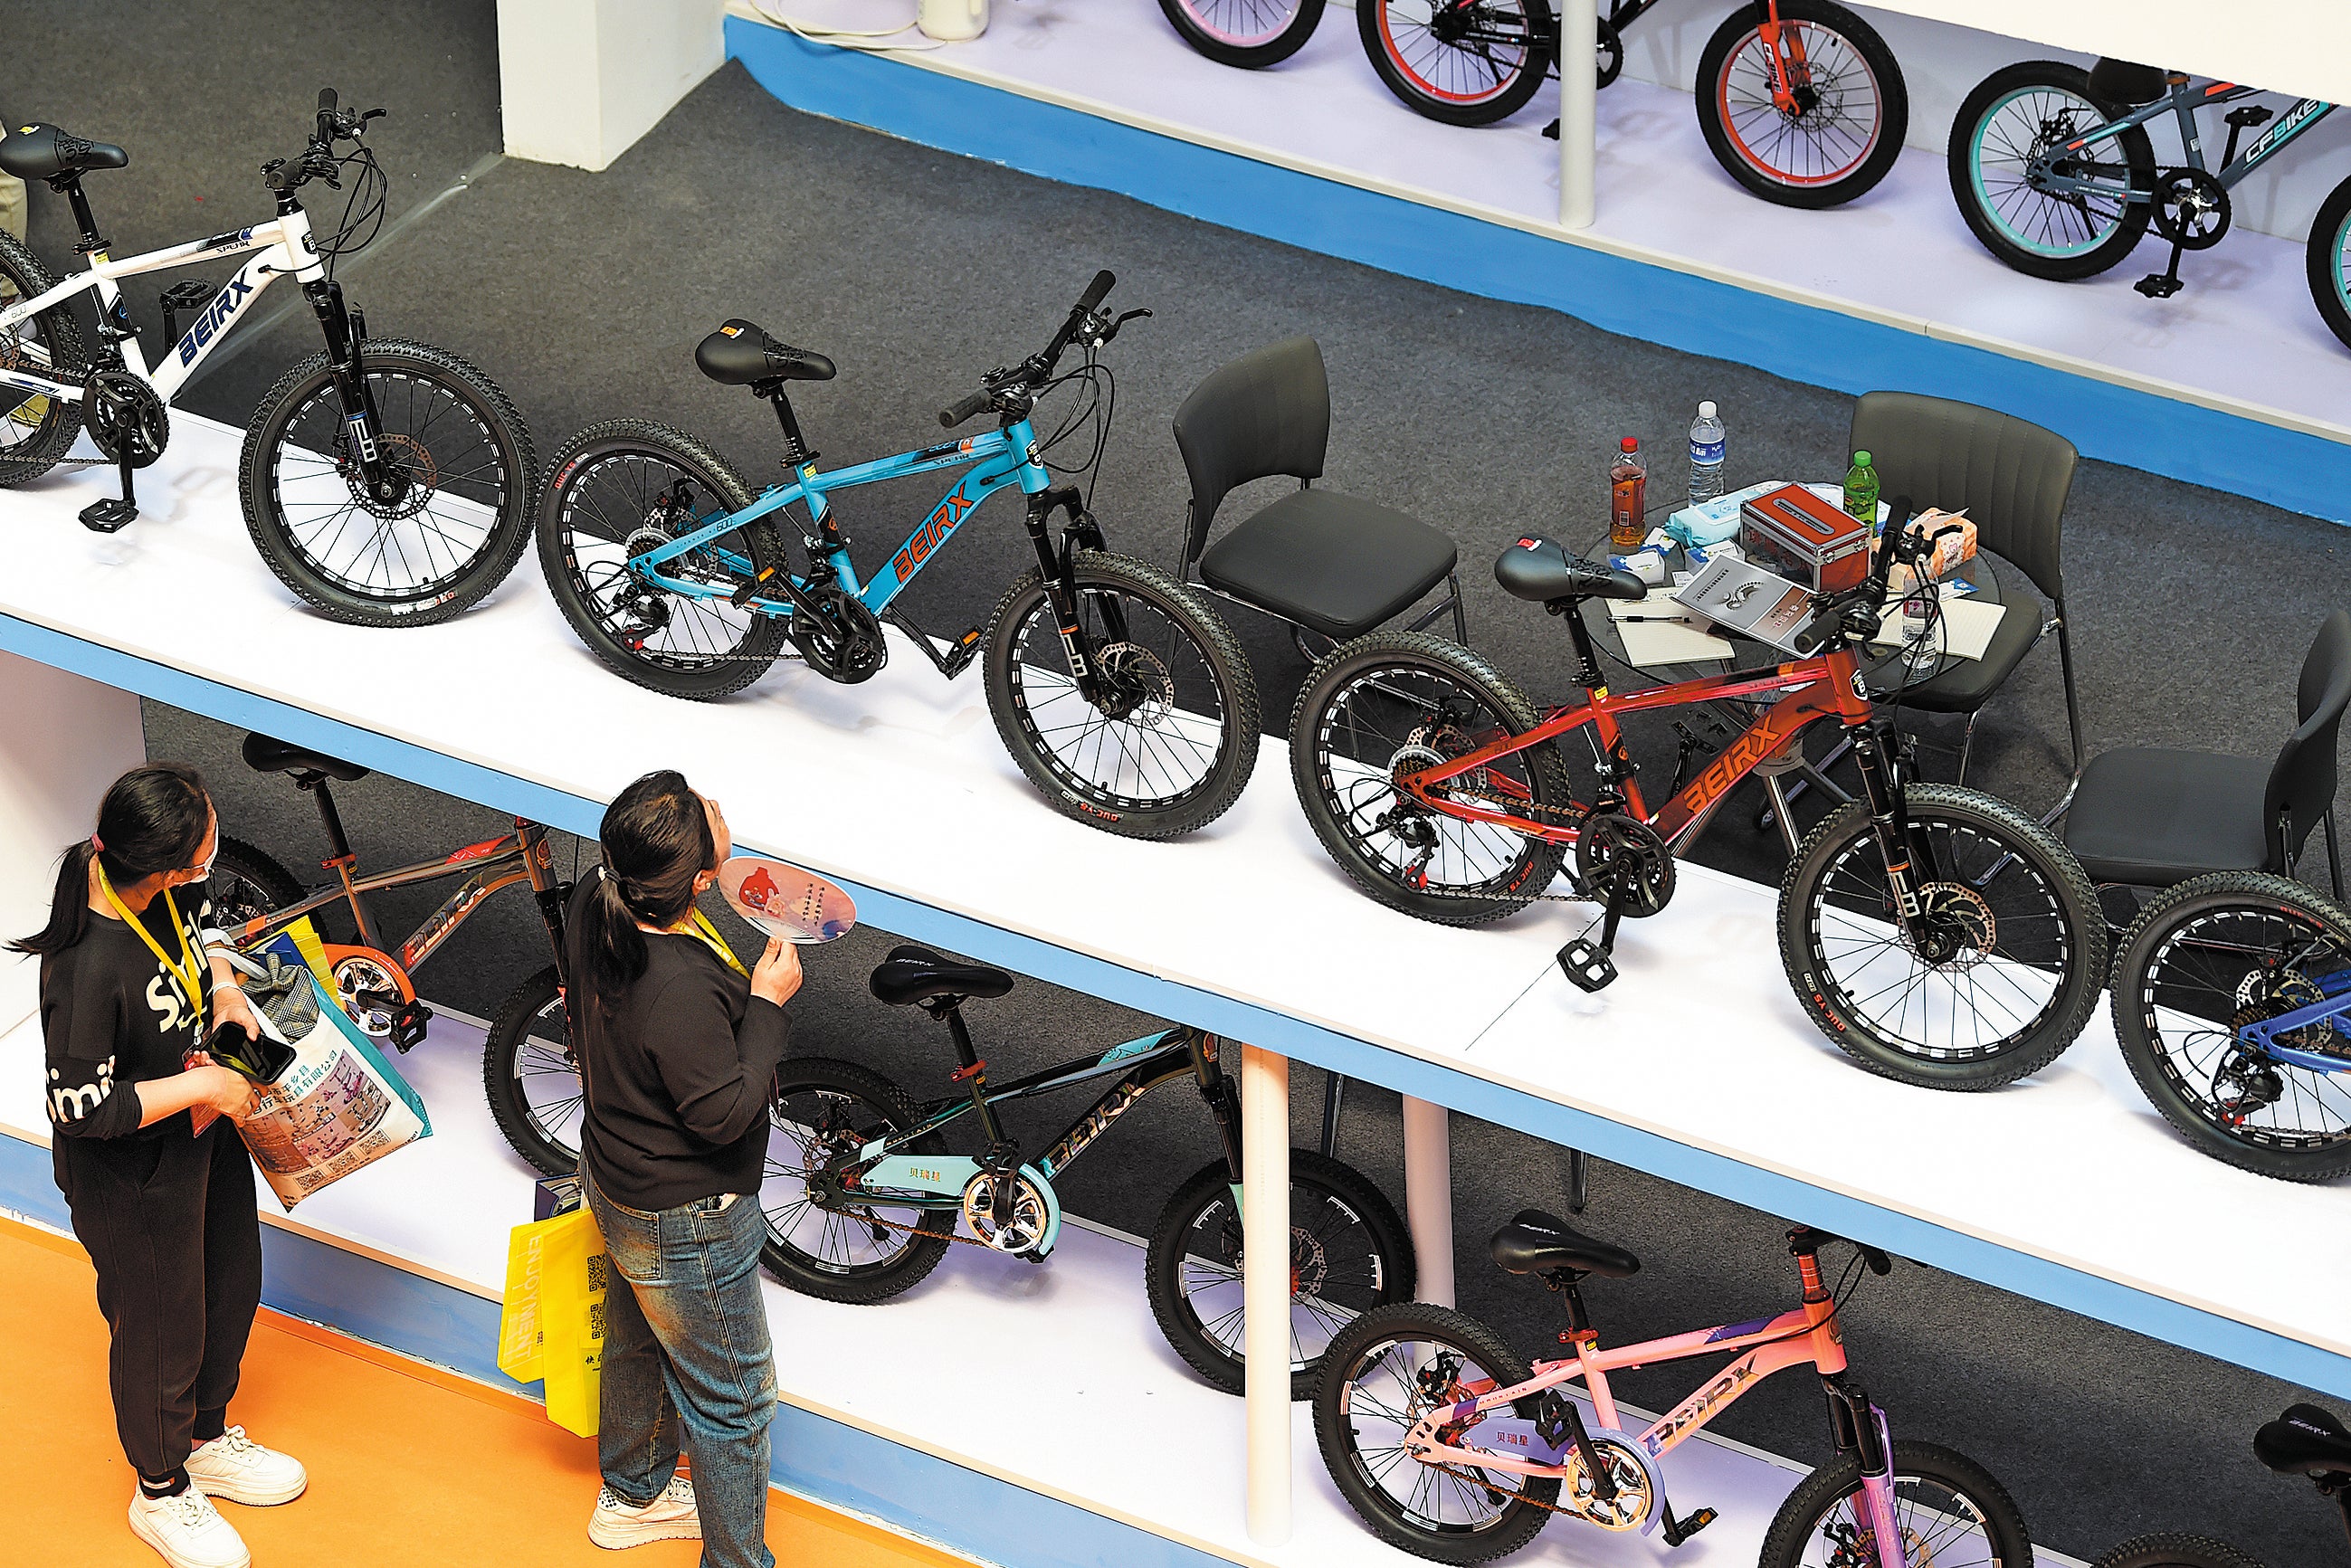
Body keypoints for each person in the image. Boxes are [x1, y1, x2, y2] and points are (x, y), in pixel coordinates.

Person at [10, 764, 308, 1568]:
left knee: (230, 1281)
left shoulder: (162, 890)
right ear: (166, 863)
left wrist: (222, 989)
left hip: (196, 1137)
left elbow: (199, 927)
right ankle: (162, 1484)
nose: (212, 856)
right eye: (205, 845)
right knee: (159, 1327)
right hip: (127, 1175)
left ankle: (205, 1433)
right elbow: (82, 1110)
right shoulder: (86, 963)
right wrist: (205, 1081)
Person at [566, 770, 802, 1567]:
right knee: (735, 1403)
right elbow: (721, 1114)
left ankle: (632, 1491)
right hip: (687, 1218)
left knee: (639, 1337)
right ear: (701, 879)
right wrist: (767, 1003)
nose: (713, 803)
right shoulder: (676, 986)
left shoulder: (595, 900)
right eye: (705, 811)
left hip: (617, 1176)